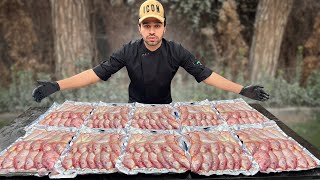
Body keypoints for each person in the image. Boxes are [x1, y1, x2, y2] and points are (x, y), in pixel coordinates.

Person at [32, 0, 269, 104]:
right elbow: (95, 73)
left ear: (164, 27)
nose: (152, 31)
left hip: (165, 109)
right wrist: (57, 85)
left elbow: (206, 74)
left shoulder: (176, 51)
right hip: (134, 109)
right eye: (147, 25)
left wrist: (242, 90)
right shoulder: (128, 51)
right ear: (140, 28)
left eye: (157, 25)